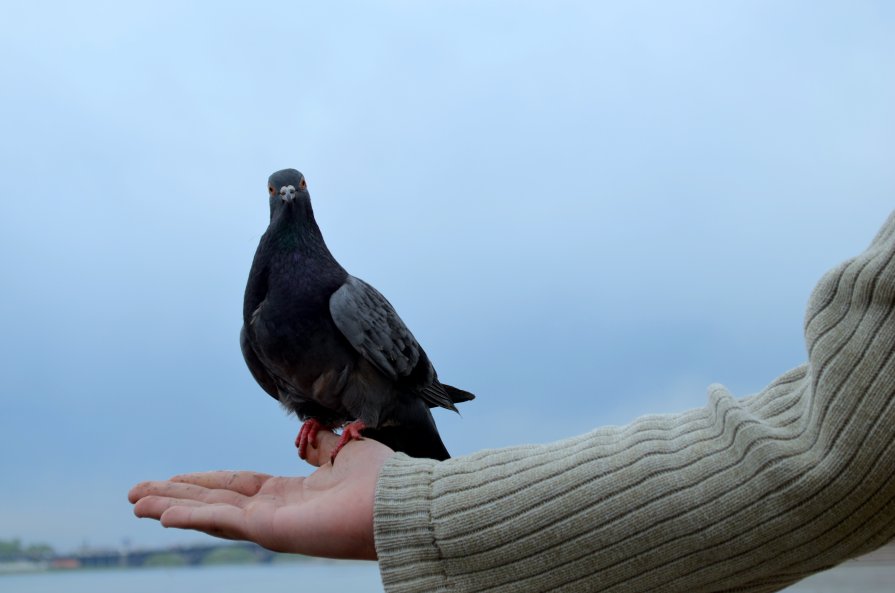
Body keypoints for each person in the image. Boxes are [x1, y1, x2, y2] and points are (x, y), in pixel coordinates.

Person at [130, 210, 895, 593]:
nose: (288, 201)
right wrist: (414, 500)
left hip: (397, 406)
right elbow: (843, 440)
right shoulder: (258, 327)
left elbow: (846, 445)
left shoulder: (345, 296)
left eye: (295, 193)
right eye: (280, 194)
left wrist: (426, 506)